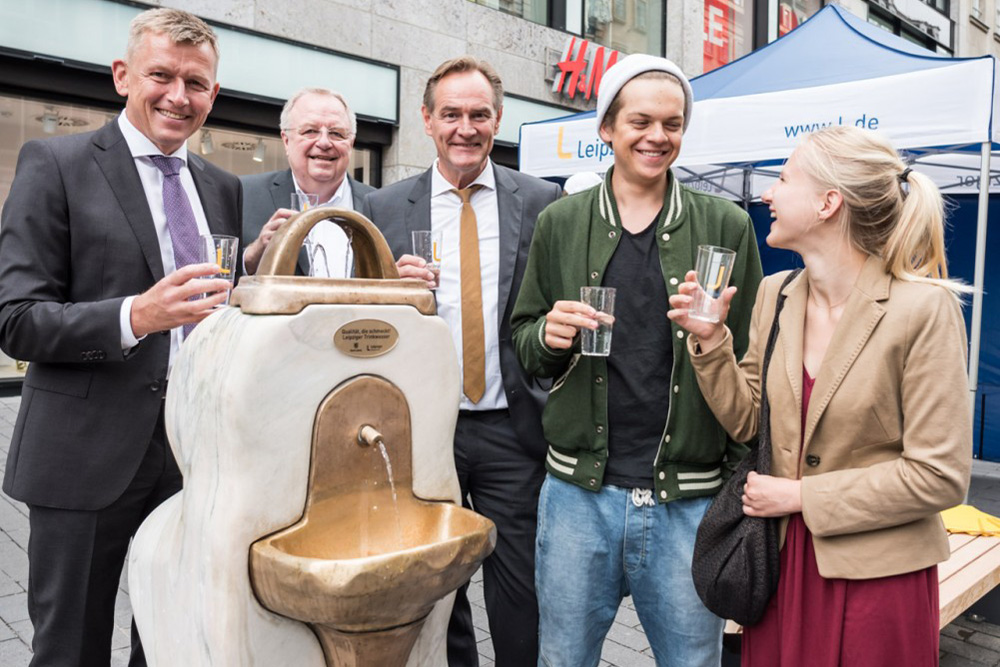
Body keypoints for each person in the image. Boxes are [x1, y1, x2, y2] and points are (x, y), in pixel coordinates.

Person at [668, 125, 972, 666]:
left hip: (879, 581)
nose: (767, 194)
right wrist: (712, 341)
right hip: (780, 565)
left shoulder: (923, 309)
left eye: (783, 178)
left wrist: (802, 497)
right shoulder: (775, 294)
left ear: (829, 202)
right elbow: (747, 423)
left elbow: (940, 475)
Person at [0, 8, 241, 666]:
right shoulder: (55, 162)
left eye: (196, 83)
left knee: (172, 640)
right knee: (70, 647)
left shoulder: (222, 188)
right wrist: (136, 315)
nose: (178, 95)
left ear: (212, 95)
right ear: (121, 77)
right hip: (84, 458)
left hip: (194, 456)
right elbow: (17, 317)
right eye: (161, 75)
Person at [510, 54, 763, 666]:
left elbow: (755, 358)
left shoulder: (724, 224)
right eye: (641, 121)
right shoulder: (561, 222)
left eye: (672, 124)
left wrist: (734, 472)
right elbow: (524, 345)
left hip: (688, 501)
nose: (657, 137)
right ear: (606, 129)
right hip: (577, 497)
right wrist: (550, 334)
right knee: (564, 659)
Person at [362, 56, 562, 667]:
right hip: (424, 428)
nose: (465, 128)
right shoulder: (386, 207)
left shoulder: (542, 201)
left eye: (479, 115)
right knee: (433, 582)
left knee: (520, 586)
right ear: (427, 120)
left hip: (512, 427)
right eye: (451, 114)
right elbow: (361, 316)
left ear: (497, 120)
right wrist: (389, 290)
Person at [242, 87, 375, 276]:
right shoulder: (244, 194)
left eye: (337, 133)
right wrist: (253, 256)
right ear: (286, 140)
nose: (324, 142)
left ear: (351, 143)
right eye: (310, 131)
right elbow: (220, 273)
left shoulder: (380, 204)